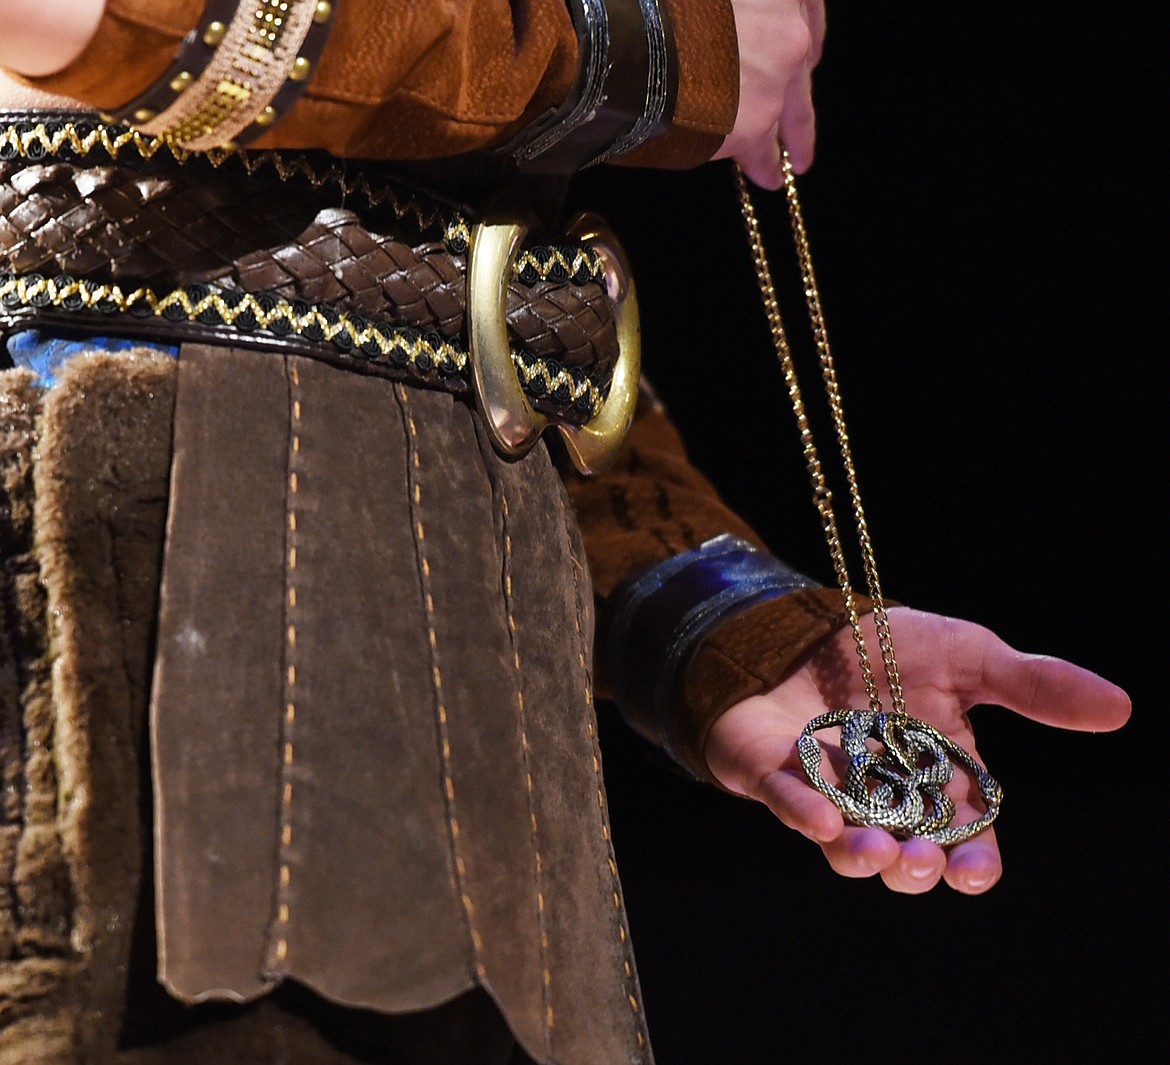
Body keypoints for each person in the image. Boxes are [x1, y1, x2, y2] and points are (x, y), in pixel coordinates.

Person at [0, 3, 1130, 1063]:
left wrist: (706, 613)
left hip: (444, 689)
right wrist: (645, 50)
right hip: (118, 575)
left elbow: (437, 300)